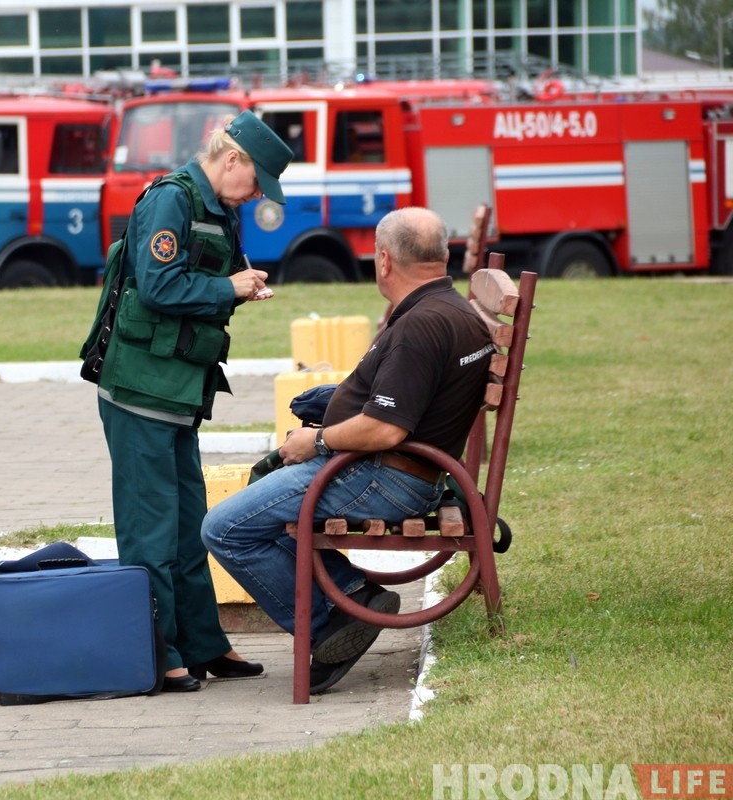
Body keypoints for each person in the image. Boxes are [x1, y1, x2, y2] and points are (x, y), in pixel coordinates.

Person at [201, 206, 496, 694]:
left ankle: (329, 624)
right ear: (443, 256)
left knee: (225, 529)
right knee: (263, 509)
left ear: (384, 261)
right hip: (407, 472)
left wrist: (313, 440)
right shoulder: (449, 310)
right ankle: (355, 594)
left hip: (384, 477)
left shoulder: (421, 327)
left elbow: (383, 430)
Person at [84, 110, 293, 693]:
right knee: (151, 529)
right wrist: (228, 287)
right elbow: (158, 285)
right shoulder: (169, 201)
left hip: (177, 390)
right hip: (141, 389)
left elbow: (196, 281)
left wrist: (239, 283)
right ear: (232, 160)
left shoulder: (216, 207)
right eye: (254, 183)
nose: (254, 197)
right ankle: (157, 653)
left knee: (186, 526)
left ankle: (202, 643)